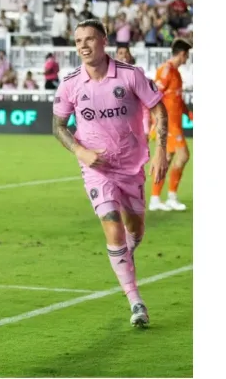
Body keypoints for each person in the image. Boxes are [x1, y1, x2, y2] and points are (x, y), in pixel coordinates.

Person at [51, 19, 168, 328]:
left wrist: (160, 150)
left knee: (135, 230)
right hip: (97, 170)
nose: (84, 46)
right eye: (78, 41)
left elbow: (158, 108)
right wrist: (80, 151)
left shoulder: (131, 76)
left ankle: (124, 259)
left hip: (132, 167)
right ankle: (135, 301)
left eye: (90, 39)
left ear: (104, 41)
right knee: (112, 228)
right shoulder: (70, 84)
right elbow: (58, 126)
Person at [148, 38, 192, 211]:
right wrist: (155, 121)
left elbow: (178, 101)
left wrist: (189, 114)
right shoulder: (166, 71)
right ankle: (171, 196)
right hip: (168, 125)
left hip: (176, 124)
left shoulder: (176, 73)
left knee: (166, 159)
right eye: (187, 56)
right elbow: (153, 95)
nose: (187, 59)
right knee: (183, 155)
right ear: (182, 54)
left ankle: (155, 199)